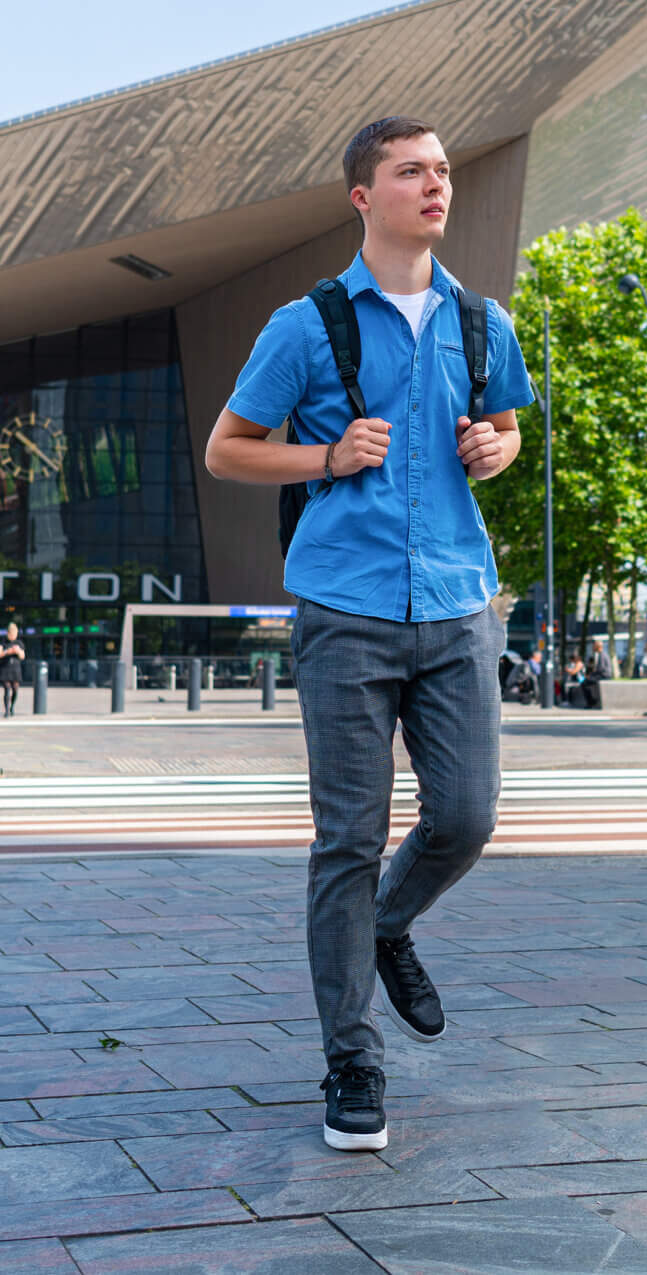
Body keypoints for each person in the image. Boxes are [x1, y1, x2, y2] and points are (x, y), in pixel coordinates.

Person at [203, 114, 533, 1154]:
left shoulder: (482, 322)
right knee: (346, 838)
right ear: (363, 196)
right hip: (344, 611)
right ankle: (352, 1059)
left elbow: (510, 428)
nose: (435, 185)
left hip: (456, 603)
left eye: (440, 171)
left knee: (467, 816)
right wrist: (327, 458)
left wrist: (496, 447)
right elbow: (226, 450)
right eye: (410, 171)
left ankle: (385, 924)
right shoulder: (303, 326)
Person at [0, 623, 27, 716]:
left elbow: (23, 656)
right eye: (11, 634)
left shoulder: (19, 643)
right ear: (8, 633)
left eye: (14, 634)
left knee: (15, 689)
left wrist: (18, 651)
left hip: (15, 669)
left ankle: (12, 707)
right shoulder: (2, 642)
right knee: (7, 688)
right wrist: (7, 652)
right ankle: (6, 710)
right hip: (4, 668)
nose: (13, 636)